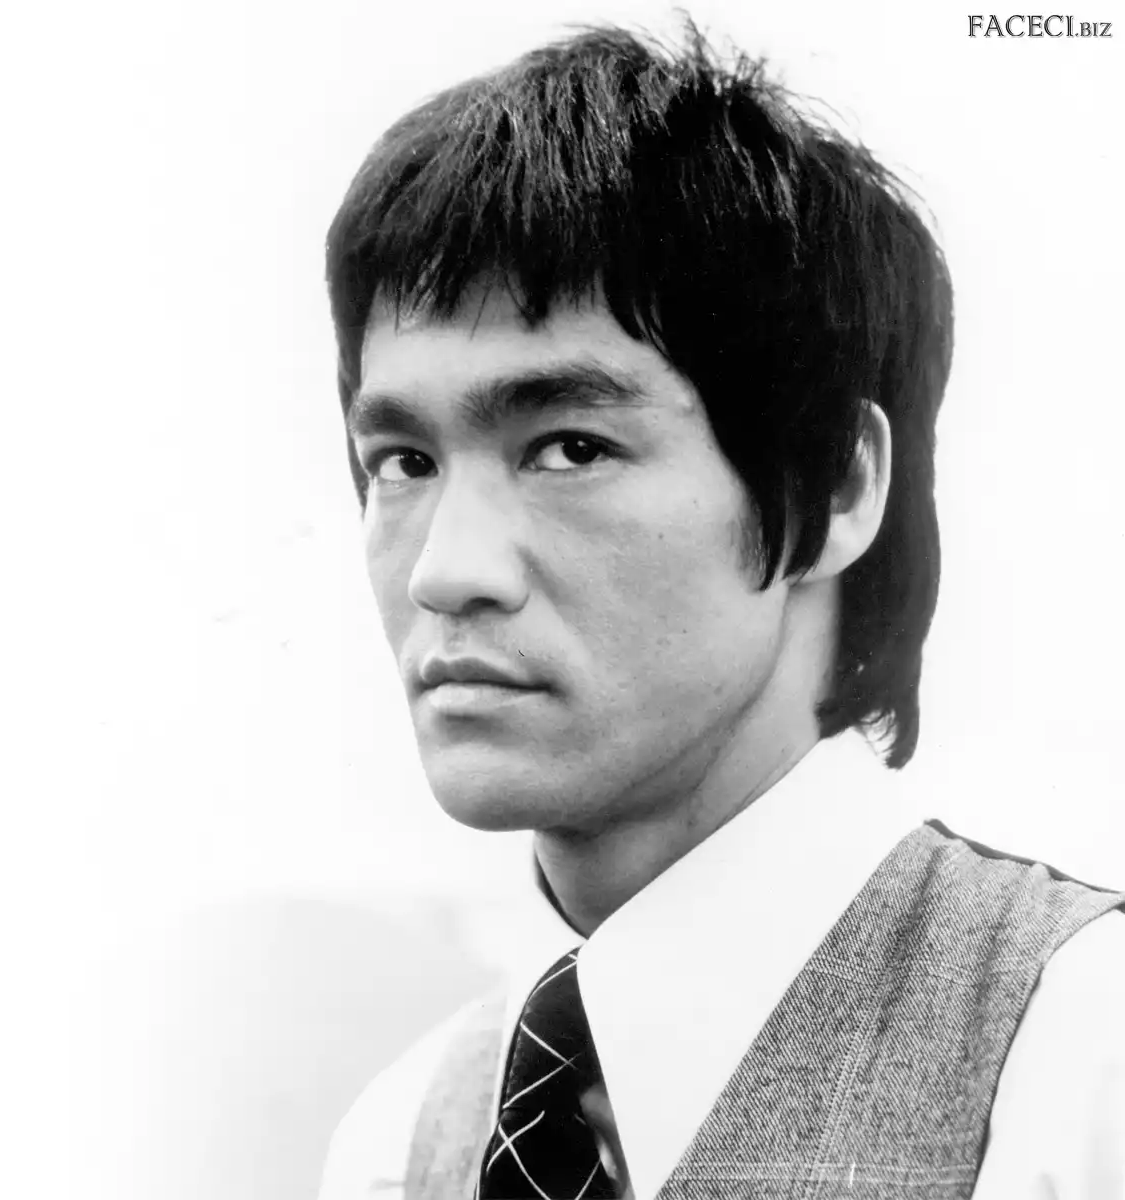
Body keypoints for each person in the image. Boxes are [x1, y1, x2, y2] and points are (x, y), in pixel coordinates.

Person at [314, 25, 1125, 1200]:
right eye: (403, 461)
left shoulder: (1085, 1057)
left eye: (570, 447)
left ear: (835, 487)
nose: (446, 570)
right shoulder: (396, 1145)